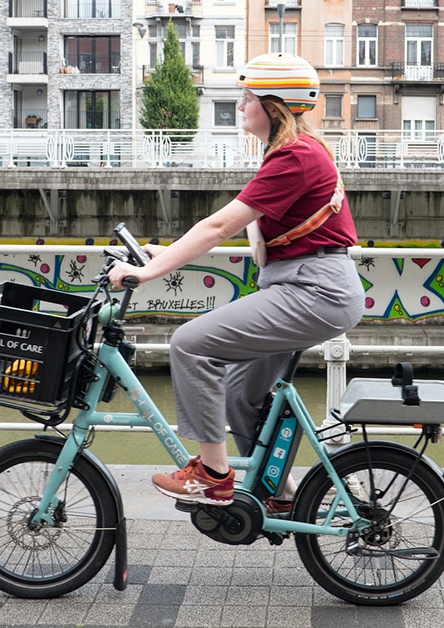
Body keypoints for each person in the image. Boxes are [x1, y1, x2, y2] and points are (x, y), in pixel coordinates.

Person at [108, 53, 363, 510]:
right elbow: (243, 232)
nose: (240, 105)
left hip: (313, 291)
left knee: (189, 343)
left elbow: (217, 227)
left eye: (248, 97)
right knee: (239, 395)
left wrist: (146, 273)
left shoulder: (296, 157)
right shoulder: (291, 153)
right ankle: (280, 495)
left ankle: (212, 475)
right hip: (301, 285)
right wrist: (166, 254)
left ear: (274, 105)